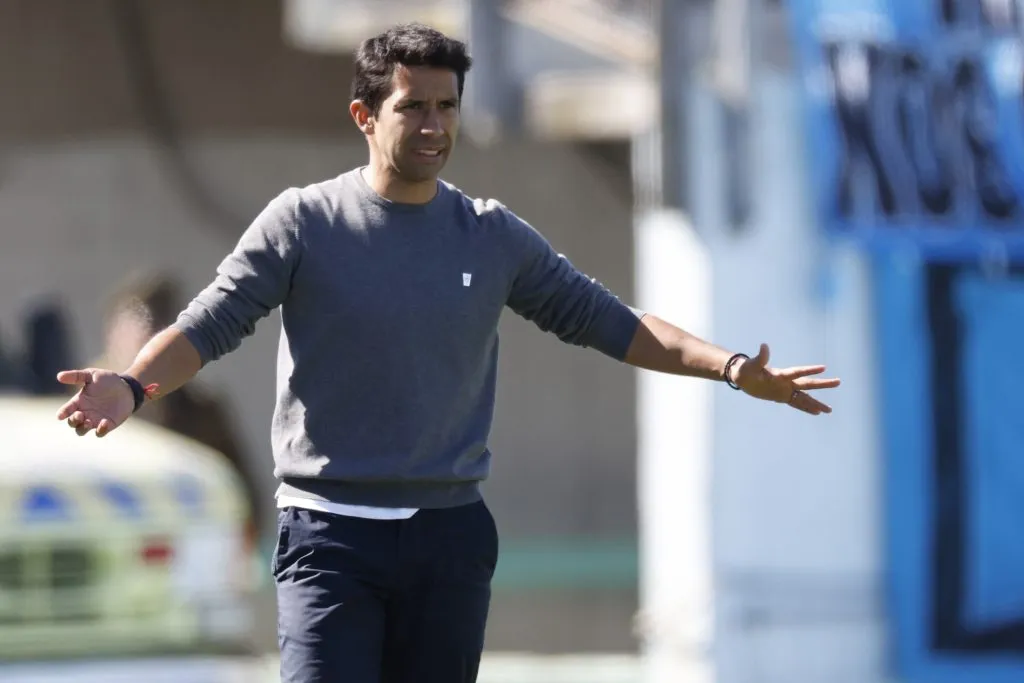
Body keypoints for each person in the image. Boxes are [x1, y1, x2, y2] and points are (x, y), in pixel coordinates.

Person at [55, 23, 840, 683]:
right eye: (413, 107)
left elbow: (615, 321)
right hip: (332, 536)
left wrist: (732, 367)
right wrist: (132, 383)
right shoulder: (303, 223)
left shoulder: (490, 234)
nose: (434, 125)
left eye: (447, 107)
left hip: (448, 539)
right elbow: (210, 322)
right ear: (365, 114)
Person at [93, 272, 263, 540]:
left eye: (155, 330)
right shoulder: (87, 408)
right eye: (136, 327)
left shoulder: (201, 410)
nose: (146, 341)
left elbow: (241, 492)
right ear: (112, 334)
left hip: (188, 549)